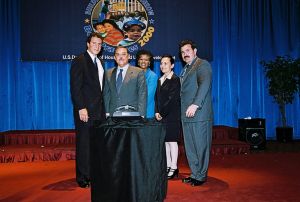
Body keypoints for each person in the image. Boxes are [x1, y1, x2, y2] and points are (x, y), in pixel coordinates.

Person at [70, 32, 106, 188]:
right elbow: (75, 88)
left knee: (96, 144)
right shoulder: (80, 61)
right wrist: (81, 107)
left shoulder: (100, 62)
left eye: (99, 44)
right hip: (85, 111)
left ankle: (93, 174)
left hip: (99, 111)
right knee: (84, 144)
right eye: (94, 43)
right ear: (88, 44)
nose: (97, 46)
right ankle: (83, 177)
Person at [179, 39, 213, 186]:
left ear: (195, 51)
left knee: (201, 146)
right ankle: (194, 173)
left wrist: (196, 104)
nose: (185, 54)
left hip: (199, 114)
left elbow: (204, 84)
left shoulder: (202, 64)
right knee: (191, 147)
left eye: (187, 50)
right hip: (186, 115)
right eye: (182, 52)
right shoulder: (185, 69)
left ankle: (201, 176)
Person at [154, 55, 181, 179]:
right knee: (165, 142)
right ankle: (168, 166)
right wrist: (156, 112)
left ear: (172, 65)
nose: (163, 66)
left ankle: (174, 167)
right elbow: (156, 98)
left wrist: (162, 112)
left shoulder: (175, 79)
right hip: (162, 115)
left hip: (172, 115)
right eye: (161, 63)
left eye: (166, 63)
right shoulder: (160, 79)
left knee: (172, 141)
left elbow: (172, 99)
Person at [104, 46, 147, 116]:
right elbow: (107, 94)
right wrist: (107, 112)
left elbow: (142, 94)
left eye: (123, 54)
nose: (120, 57)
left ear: (128, 56)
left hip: (132, 114)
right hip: (113, 114)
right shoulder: (108, 73)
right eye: (118, 54)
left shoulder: (138, 72)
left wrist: (141, 114)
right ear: (114, 58)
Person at [136, 50, 158, 118]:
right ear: (138, 61)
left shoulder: (153, 76)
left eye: (146, 60)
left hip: (147, 112)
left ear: (149, 62)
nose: (143, 61)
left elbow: (148, 96)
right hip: (134, 112)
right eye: (141, 59)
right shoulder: (134, 75)